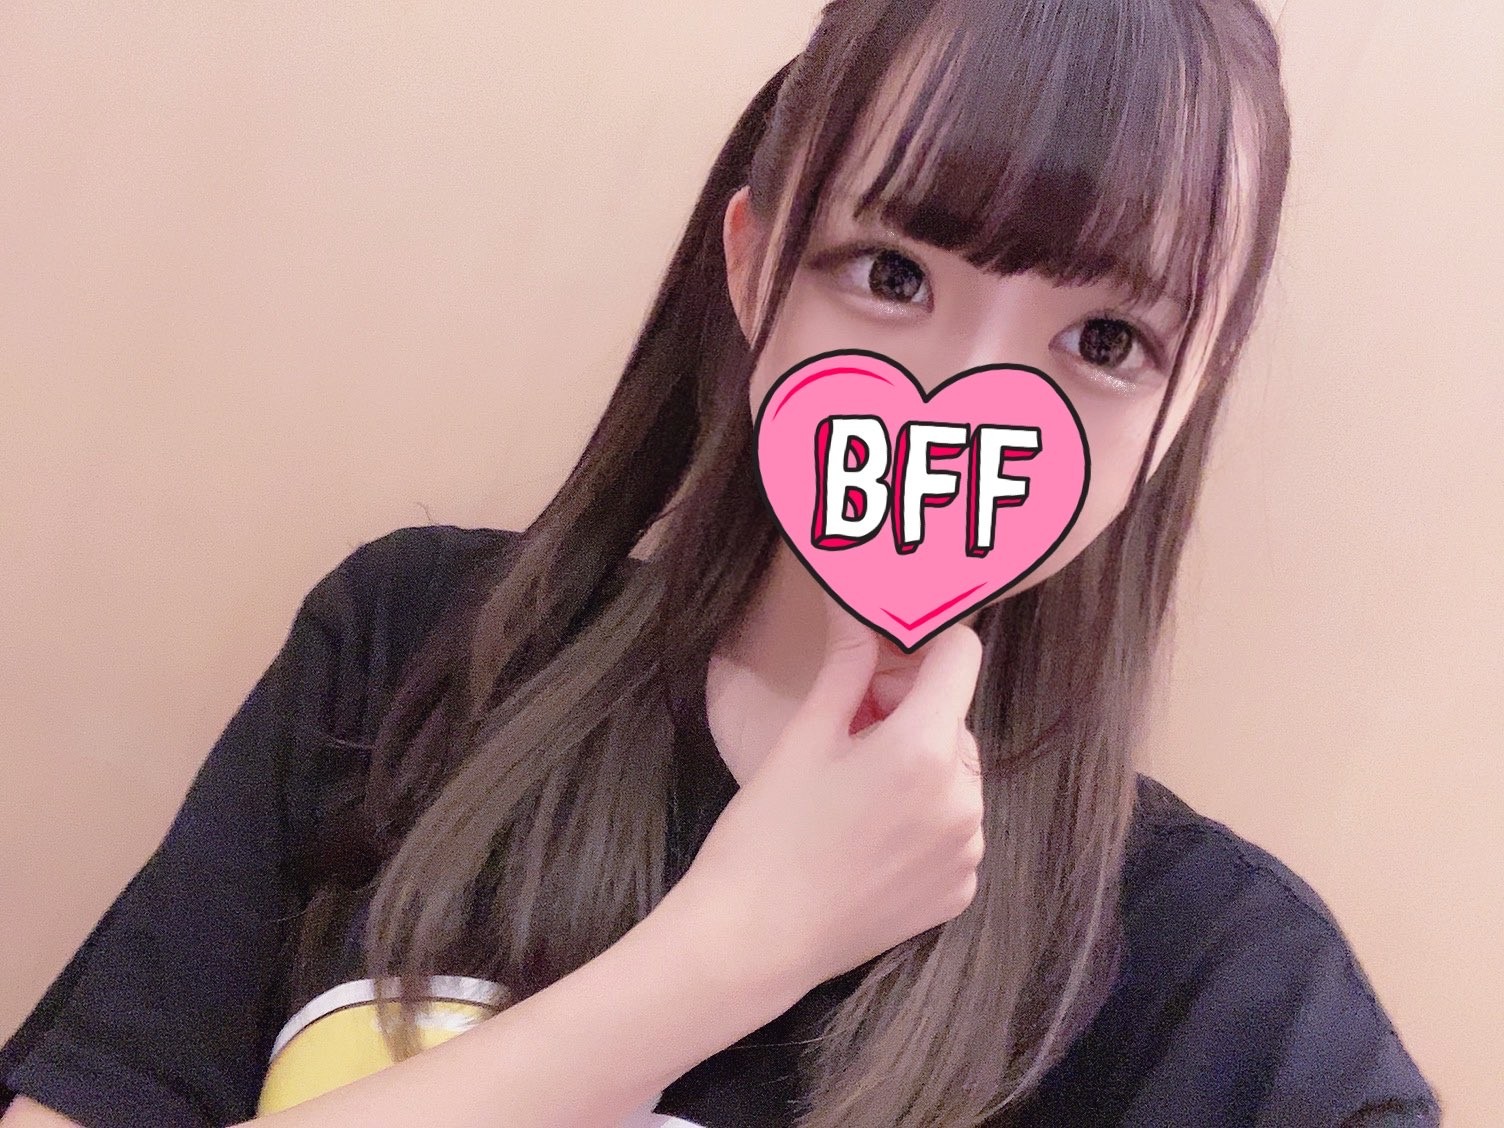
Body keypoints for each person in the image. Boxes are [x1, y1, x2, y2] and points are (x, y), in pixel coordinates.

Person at [1, 0, 1443, 1125]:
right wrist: (730, 954)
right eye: (893, 274)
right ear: (753, 266)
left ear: (1188, 402)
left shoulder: (1228, 995)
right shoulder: (408, 656)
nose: (960, 403)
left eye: (1108, 341)